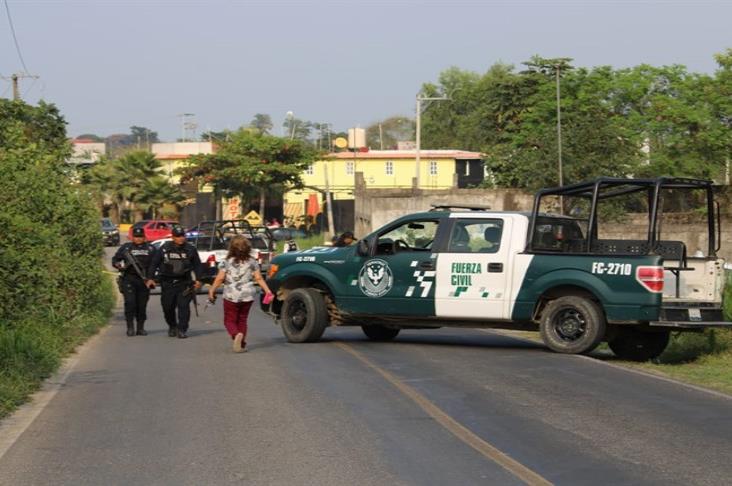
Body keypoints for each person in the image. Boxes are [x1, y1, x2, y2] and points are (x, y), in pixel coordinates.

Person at [207, 235, 273, 353]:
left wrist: (212, 290)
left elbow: (219, 278)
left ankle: (235, 334)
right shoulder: (252, 262)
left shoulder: (226, 262)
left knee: (229, 320)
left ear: (231, 248)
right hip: (248, 295)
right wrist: (268, 291)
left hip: (231, 295)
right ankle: (241, 344)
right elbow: (258, 278)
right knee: (242, 319)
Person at [147, 226, 203, 339]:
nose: (181, 238)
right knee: (168, 307)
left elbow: (197, 265)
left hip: (184, 283)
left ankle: (182, 329)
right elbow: (154, 263)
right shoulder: (164, 248)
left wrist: (199, 279)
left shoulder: (190, 249)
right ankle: (172, 326)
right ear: (173, 237)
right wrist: (150, 278)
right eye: (178, 236)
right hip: (168, 283)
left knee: (184, 307)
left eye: (182, 236)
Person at [112, 227, 157, 336]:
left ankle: (140, 328)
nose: (138, 239)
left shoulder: (151, 249)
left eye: (140, 237)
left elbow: (155, 264)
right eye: (136, 237)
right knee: (130, 303)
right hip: (129, 279)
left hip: (144, 280)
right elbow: (115, 259)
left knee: (142, 305)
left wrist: (152, 279)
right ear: (132, 237)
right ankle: (130, 327)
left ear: (144, 237)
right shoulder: (126, 248)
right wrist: (118, 265)